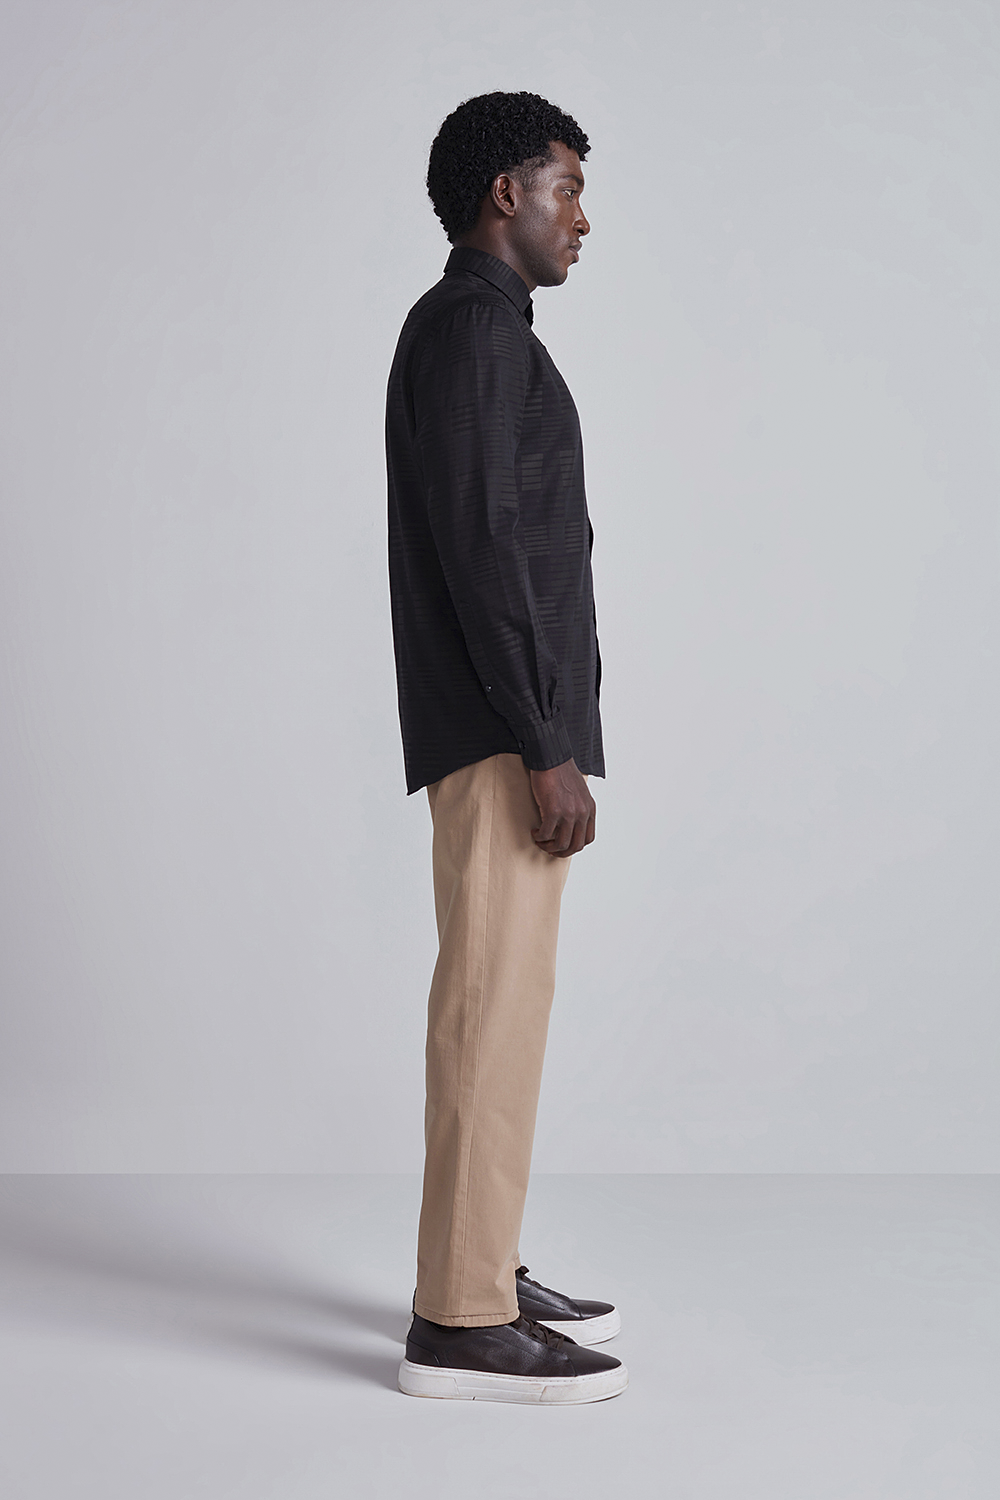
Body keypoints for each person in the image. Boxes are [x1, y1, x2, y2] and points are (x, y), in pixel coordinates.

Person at [385, 91, 626, 1405]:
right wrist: (546, 740)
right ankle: (462, 1321)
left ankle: (479, 1265)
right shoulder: (476, 334)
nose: (581, 218)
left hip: (499, 723)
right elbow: (485, 546)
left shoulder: (477, 331)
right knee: (490, 1006)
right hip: (502, 732)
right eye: (567, 188)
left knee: (503, 1003)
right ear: (505, 194)